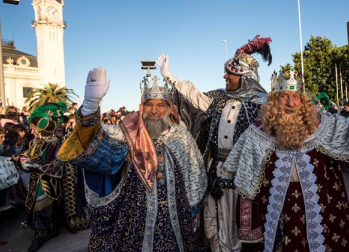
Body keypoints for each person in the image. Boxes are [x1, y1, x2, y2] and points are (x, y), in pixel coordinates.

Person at [223, 69, 349, 251]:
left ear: (304, 101)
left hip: (322, 210)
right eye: (284, 96)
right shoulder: (256, 134)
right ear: (274, 101)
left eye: (296, 97)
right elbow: (245, 186)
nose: (291, 102)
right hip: (276, 217)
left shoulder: (326, 126)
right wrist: (250, 229)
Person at [56, 68, 207, 251]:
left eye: (160, 105)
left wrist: (192, 206)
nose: (154, 111)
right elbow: (94, 145)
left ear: (169, 109)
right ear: (142, 107)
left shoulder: (181, 135)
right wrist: (90, 107)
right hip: (136, 216)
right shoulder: (128, 132)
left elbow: (194, 172)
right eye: (149, 105)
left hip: (177, 214)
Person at [158, 35, 271, 251]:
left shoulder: (263, 105)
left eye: (229, 73)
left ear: (244, 76)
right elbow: (193, 96)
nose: (224, 76)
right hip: (216, 173)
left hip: (246, 177)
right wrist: (170, 76)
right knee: (214, 223)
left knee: (239, 226)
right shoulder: (218, 98)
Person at [17, 102, 89, 252]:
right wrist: (21, 160)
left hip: (48, 182)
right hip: (36, 180)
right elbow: (27, 156)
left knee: (43, 207)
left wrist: (29, 165)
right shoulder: (35, 142)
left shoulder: (54, 143)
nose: (32, 130)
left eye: (34, 128)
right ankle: (47, 229)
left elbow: (57, 164)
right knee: (36, 207)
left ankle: (43, 232)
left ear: (40, 129)